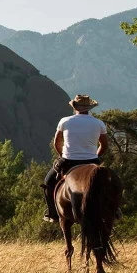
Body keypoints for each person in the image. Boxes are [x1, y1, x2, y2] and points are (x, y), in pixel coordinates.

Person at [43, 94, 108, 222]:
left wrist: (62, 155)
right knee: (109, 183)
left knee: (49, 182)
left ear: (74, 107)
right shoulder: (99, 123)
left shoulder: (65, 121)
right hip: (92, 161)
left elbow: (57, 143)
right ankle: (114, 209)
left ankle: (52, 213)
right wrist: (95, 156)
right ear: (89, 108)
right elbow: (104, 145)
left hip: (69, 161)